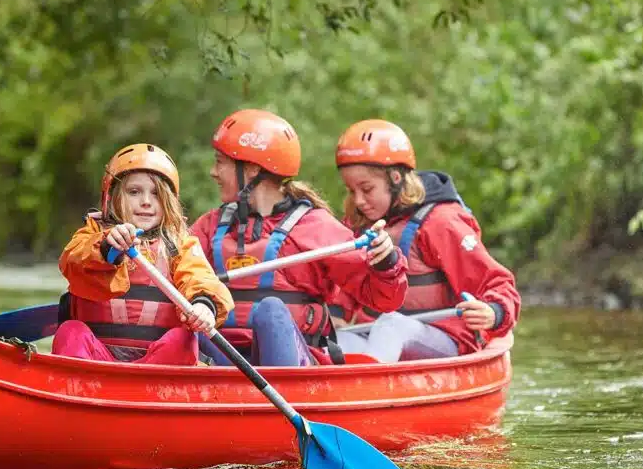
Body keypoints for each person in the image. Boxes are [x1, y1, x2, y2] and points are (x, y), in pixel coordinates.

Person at [189, 108, 408, 366]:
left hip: (294, 369)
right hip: (225, 366)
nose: (214, 172)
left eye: (220, 162)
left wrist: (386, 261)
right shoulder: (210, 226)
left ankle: (275, 393)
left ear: (250, 169)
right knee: (189, 322)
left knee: (271, 310)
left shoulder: (315, 226)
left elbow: (385, 299)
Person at [331, 119, 521, 362]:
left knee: (391, 326)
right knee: (335, 340)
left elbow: (498, 283)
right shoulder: (360, 224)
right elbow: (346, 285)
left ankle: (370, 389)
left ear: (396, 179)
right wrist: (334, 314)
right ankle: (351, 390)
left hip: (443, 342)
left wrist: (493, 313)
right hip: (377, 339)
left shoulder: (442, 222)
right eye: (351, 190)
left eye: (366, 189)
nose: (358, 201)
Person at [54, 143, 234, 365]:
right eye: (134, 192)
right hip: (98, 362)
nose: (146, 201)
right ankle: (77, 389)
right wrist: (107, 247)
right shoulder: (93, 234)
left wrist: (203, 305)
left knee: (182, 338)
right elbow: (73, 261)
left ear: (168, 200)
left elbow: (200, 278)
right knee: (70, 331)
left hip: (156, 366)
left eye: (156, 194)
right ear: (113, 197)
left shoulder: (179, 243)